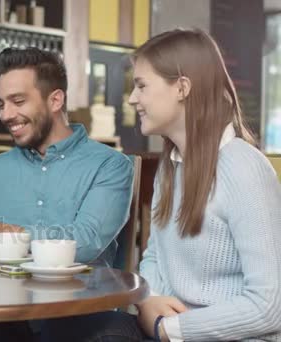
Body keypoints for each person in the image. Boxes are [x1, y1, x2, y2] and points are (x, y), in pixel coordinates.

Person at [44, 28, 281, 341]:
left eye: (142, 85)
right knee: (68, 326)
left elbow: (269, 307)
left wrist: (169, 328)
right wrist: (148, 299)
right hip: (163, 329)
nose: (132, 98)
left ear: (182, 87)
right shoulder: (170, 167)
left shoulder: (245, 169)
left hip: (214, 335)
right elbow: (154, 256)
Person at [0, 47, 133, 267]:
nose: (5, 115)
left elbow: (85, 244)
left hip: (80, 299)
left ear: (55, 101)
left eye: (18, 101)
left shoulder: (110, 165)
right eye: (1, 104)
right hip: (2, 297)